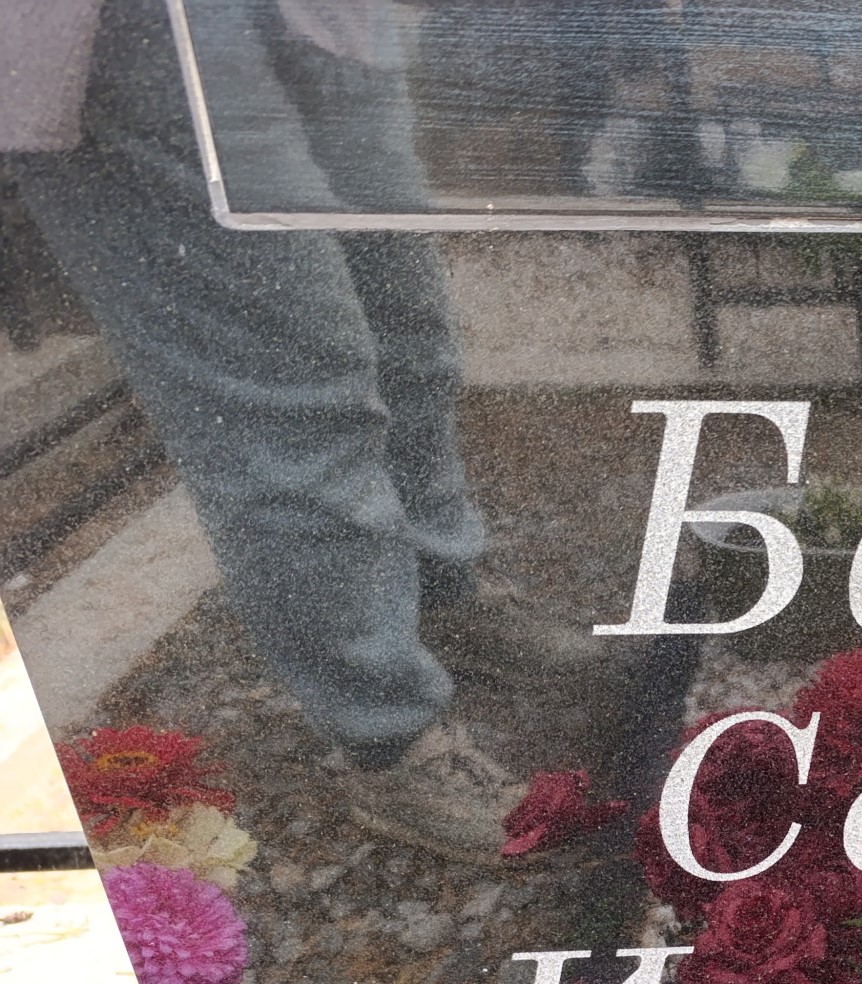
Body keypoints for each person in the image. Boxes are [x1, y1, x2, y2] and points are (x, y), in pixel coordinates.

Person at [2, 0, 592, 862]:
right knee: (287, 398)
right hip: (124, 29)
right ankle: (387, 737)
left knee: (407, 338)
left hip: (324, 17)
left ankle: (442, 595)